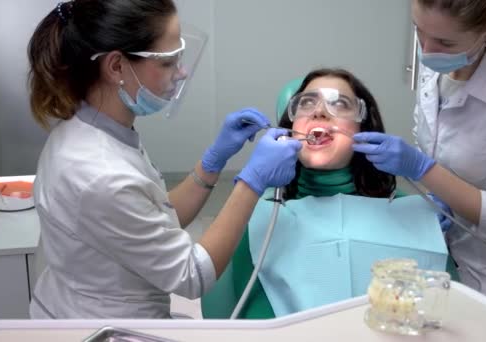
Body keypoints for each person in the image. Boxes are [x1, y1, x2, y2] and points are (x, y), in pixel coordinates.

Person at [26, 0, 301, 319]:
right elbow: (192, 276)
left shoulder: (98, 129)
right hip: (100, 326)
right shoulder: (98, 172)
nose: (181, 72)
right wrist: (251, 183)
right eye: (169, 61)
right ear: (116, 67)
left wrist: (212, 162)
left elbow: (156, 216)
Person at [352, 0, 486, 314]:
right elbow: (436, 149)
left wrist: (421, 169)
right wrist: (433, 196)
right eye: (419, 31)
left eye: (445, 43)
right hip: (437, 253)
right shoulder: (436, 70)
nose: (428, 51)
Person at [222, 68, 439, 319]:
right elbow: (253, 319)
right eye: (306, 103)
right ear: (290, 128)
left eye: (339, 104)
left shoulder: (408, 212)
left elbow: (435, 312)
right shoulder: (260, 214)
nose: (320, 112)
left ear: (362, 128)